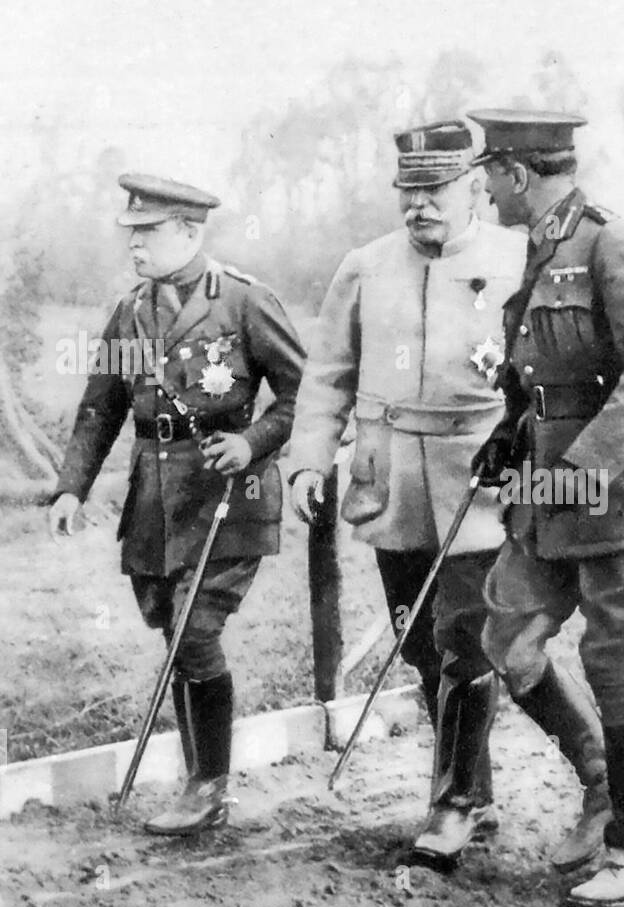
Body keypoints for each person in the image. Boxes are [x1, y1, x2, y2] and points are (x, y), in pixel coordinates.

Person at [468, 107, 624, 907]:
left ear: (514, 172)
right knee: (507, 631)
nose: (483, 188)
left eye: (487, 174)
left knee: (614, 666)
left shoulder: (609, 239)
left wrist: (584, 465)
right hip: (551, 492)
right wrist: (511, 433)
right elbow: (544, 373)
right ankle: (599, 777)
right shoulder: (543, 244)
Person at [287, 120, 546, 866]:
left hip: (480, 483)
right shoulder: (364, 267)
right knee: (418, 643)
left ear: (472, 186)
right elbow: (328, 374)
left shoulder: (515, 257)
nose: (419, 206)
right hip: (391, 481)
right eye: (408, 191)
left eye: (434, 190)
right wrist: (309, 461)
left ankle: (454, 804)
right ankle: (478, 790)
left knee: (463, 638)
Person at [49, 174, 305, 834]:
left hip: (229, 493)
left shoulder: (243, 302)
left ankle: (207, 786)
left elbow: (301, 393)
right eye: (130, 233)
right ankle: (204, 780)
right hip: (156, 496)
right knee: (171, 625)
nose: (135, 245)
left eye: (149, 233)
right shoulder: (130, 313)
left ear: (190, 233)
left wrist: (252, 443)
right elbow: (99, 407)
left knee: (196, 630)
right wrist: (72, 487)